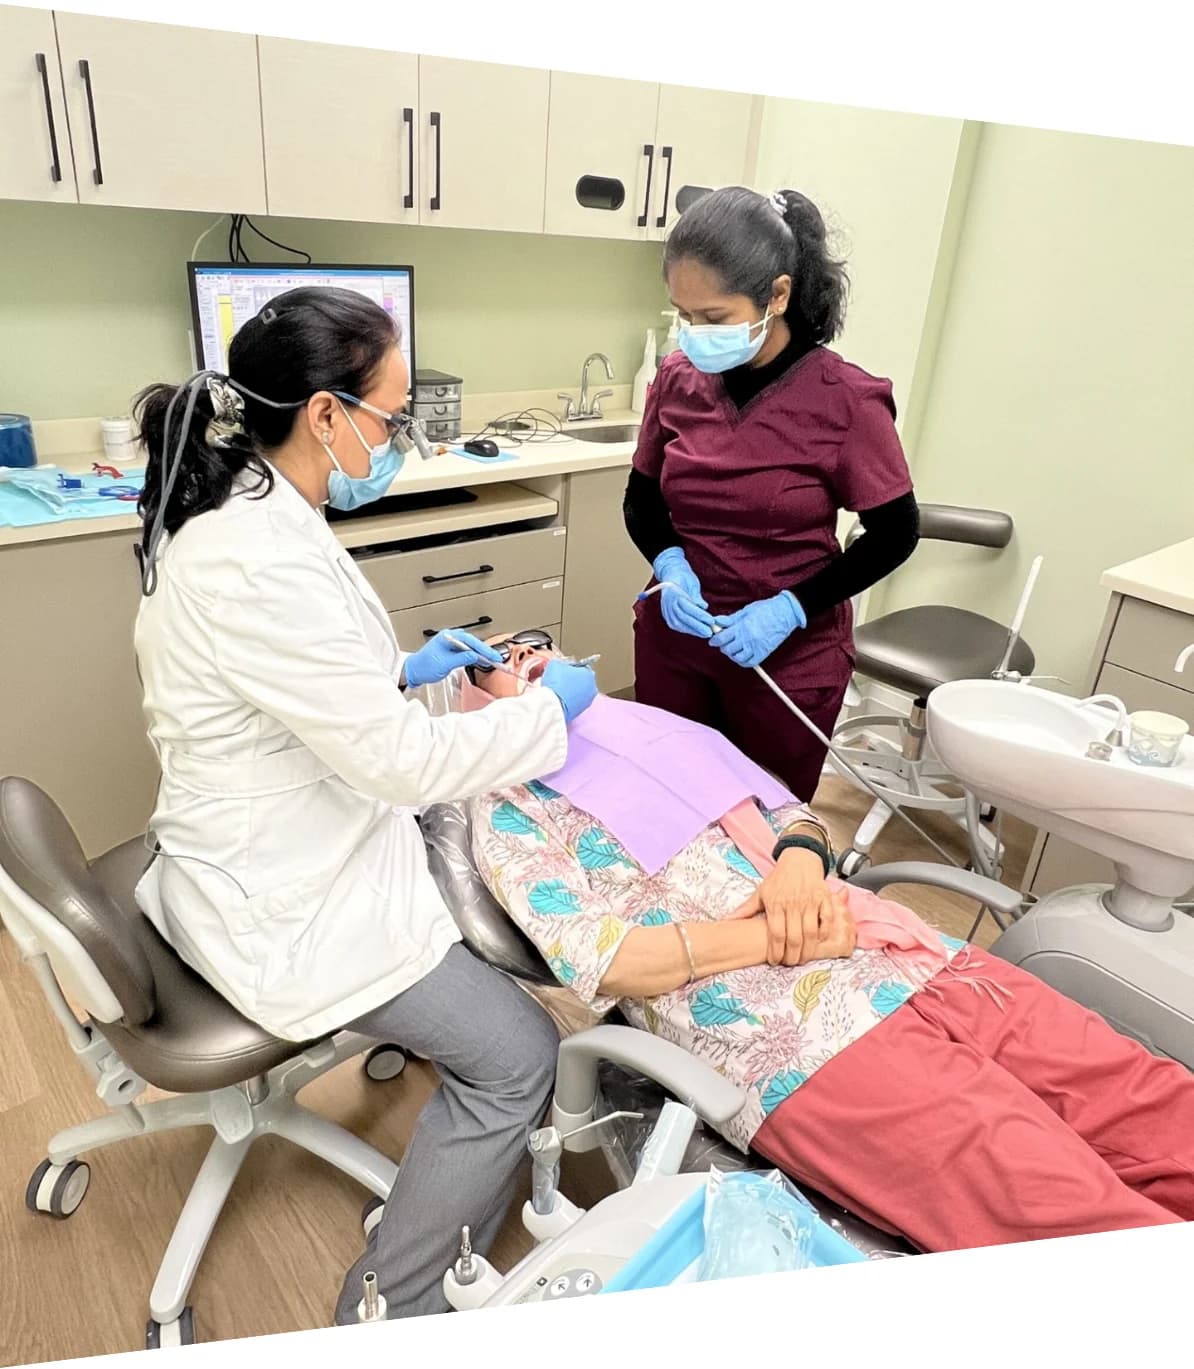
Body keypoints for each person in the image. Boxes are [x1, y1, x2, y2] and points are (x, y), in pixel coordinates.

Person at [129, 286, 599, 1324]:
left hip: (275, 835)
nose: (399, 441)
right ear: (326, 414)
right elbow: (394, 765)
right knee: (520, 1054)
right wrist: (548, 715)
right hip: (283, 905)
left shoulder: (253, 505)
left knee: (470, 897)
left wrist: (401, 668)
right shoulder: (254, 561)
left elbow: (299, 691)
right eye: (390, 417)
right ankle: (390, 1299)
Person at [458, 632, 1194, 1252]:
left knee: (1159, 1103)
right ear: (470, 708)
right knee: (1073, 1214)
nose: (525, 653)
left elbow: (796, 816)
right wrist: (771, 938)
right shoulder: (510, 810)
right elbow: (612, 960)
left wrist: (803, 868)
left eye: (535, 642)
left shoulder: (659, 732)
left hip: (908, 959)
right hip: (798, 1039)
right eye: (496, 658)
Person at [624, 185, 921, 800]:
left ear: (777, 295)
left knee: (768, 825)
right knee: (672, 802)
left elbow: (895, 534)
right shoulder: (677, 381)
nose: (693, 334)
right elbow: (642, 501)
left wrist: (787, 609)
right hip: (679, 642)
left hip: (785, 658)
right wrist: (669, 565)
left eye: (713, 318)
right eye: (683, 314)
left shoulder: (845, 400)